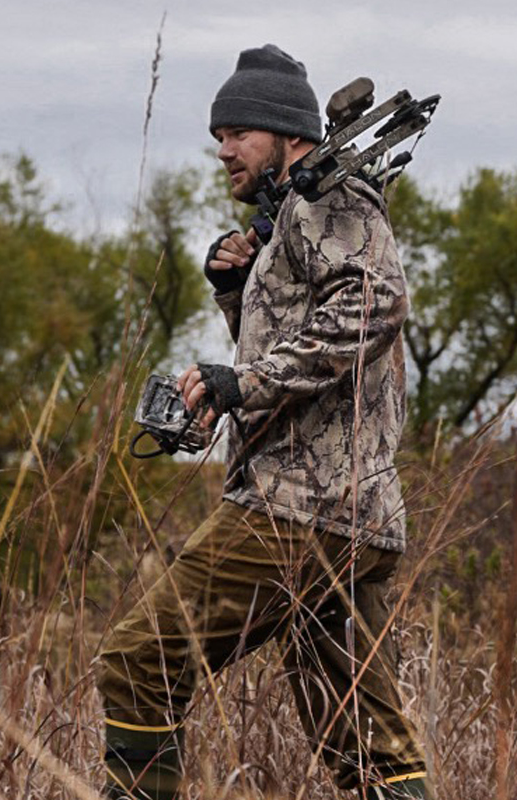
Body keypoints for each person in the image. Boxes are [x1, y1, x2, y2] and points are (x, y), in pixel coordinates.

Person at [96, 44, 431, 799]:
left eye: (239, 132)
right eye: (219, 135)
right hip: (350, 517)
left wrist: (240, 382)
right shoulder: (293, 219)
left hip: (299, 509)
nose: (224, 150)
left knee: (140, 658)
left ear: (289, 134)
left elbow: (374, 306)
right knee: (366, 744)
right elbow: (309, 352)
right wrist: (239, 290)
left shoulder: (332, 199)